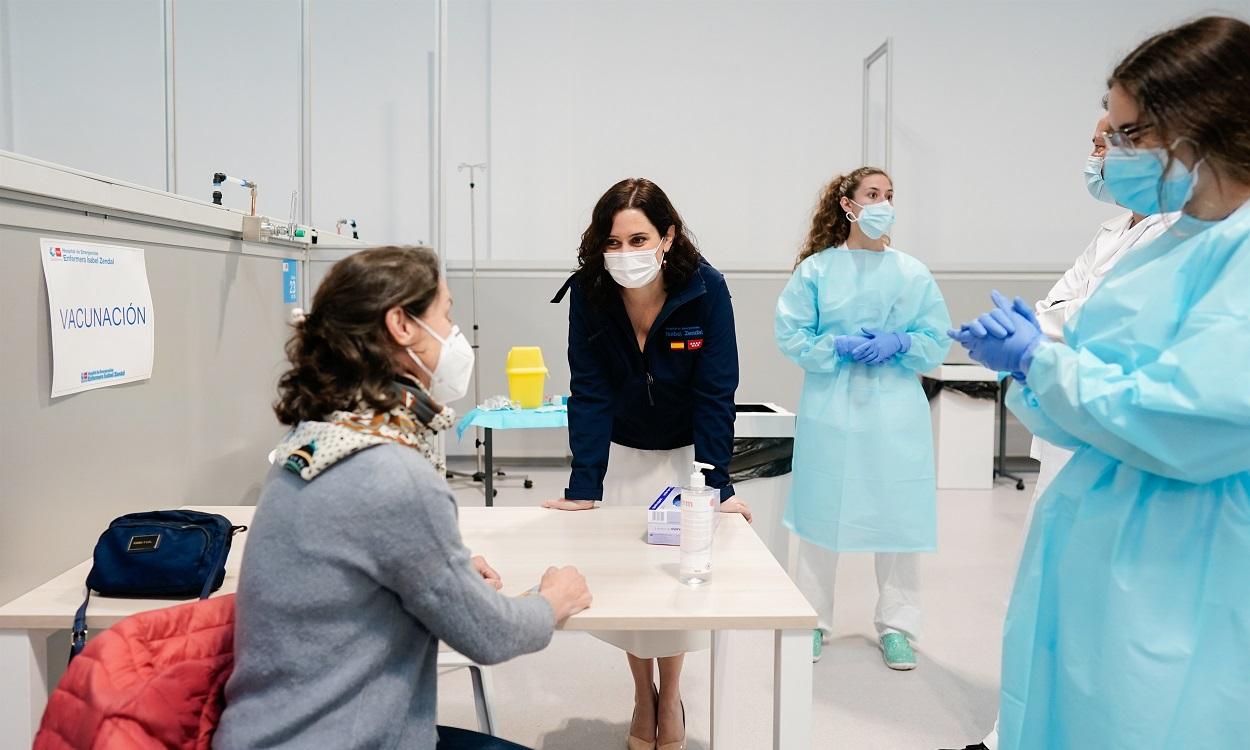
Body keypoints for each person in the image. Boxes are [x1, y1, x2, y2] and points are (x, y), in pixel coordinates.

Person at [950, 16, 1250, 749]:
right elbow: (1097, 383)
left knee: (1152, 719)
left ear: (1193, 127)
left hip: (1183, 560)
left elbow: (1199, 420)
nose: (1111, 152)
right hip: (1104, 538)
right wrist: (1037, 357)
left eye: (1126, 134)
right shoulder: (1171, 238)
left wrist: (1043, 361)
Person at [214, 246, 592, 750]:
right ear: (402, 325)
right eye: (447, 314)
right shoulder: (390, 470)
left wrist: (438, 569)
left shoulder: (318, 436)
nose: (455, 334)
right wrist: (553, 600)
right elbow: (491, 636)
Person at [944, 111, 1181, 750]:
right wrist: (1036, 335)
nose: (1099, 150)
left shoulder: (1180, 238)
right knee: (1045, 601)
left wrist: (1044, 341)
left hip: (1118, 445)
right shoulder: (1112, 231)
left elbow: (1099, 336)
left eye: (1114, 137)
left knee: (1102, 622)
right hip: (1068, 435)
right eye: (1095, 140)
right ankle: (1013, 734)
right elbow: (1060, 309)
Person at [547, 178, 751, 750]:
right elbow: (588, 389)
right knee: (631, 590)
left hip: (687, 459)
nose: (625, 254)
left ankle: (674, 690)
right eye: (612, 243)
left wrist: (718, 482)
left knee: (679, 590)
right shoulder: (590, 292)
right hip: (625, 453)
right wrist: (585, 484)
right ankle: (643, 694)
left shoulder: (705, 289)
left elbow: (717, 390)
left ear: (668, 237)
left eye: (638, 239)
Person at [774, 167, 951, 670]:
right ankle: (811, 619)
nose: (883, 203)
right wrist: (837, 345)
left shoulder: (912, 272)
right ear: (848, 205)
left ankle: (898, 626)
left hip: (895, 413)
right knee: (819, 513)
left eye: (890, 195)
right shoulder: (816, 271)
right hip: (833, 409)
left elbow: (936, 337)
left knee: (897, 519)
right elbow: (791, 335)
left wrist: (902, 343)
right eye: (873, 194)